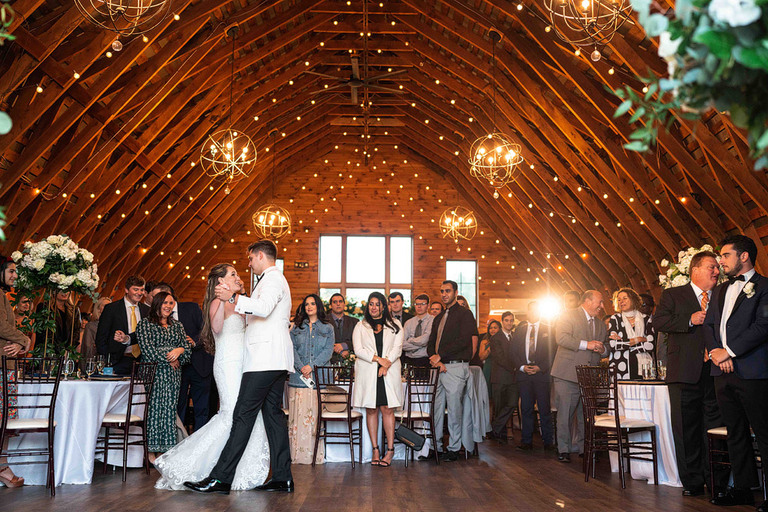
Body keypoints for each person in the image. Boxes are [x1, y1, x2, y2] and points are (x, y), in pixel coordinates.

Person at [185, 240, 294, 494]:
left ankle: (221, 478)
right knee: (273, 416)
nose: (249, 264)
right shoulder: (269, 280)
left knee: (242, 415)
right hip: (271, 359)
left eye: (250, 258)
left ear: (260, 255)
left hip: (264, 360)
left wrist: (233, 297)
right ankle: (282, 477)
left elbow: (263, 309)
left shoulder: (272, 279)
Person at [155, 264, 271, 491]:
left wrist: (239, 297)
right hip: (227, 364)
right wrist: (224, 300)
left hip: (243, 364)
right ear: (221, 282)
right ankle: (198, 466)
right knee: (230, 414)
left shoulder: (240, 302)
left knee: (244, 413)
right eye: (232, 274)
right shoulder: (217, 303)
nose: (238, 277)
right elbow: (217, 328)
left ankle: (234, 468)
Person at [654, 250, 727, 498]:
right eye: (711, 267)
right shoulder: (673, 294)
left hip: (715, 372)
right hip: (683, 372)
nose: (716, 271)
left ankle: (716, 481)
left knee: (715, 427)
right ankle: (692, 481)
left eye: (718, 267)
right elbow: (659, 322)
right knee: (686, 430)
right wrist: (689, 319)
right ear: (694, 270)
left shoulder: (722, 294)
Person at [704, 235, 768, 509]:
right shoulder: (720, 290)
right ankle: (743, 489)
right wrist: (717, 353)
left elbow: (763, 326)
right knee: (735, 432)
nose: (721, 261)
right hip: (723, 373)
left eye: (726, 255)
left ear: (744, 256)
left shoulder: (764, 287)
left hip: (753, 372)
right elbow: (709, 325)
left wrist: (729, 351)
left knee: (764, 433)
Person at [551, 290, 607, 463]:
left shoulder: (601, 324)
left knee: (586, 415)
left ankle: (585, 448)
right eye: (599, 302)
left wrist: (603, 349)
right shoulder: (568, 315)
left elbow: (605, 347)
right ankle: (564, 449)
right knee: (565, 414)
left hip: (589, 376)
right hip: (567, 374)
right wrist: (587, 345)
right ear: (588, 301)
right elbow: (561, 338)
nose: (602, 306)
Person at [137, 291, 191, 461]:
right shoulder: (145, 324)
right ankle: (150, 451)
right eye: (165, 303)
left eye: (171, 303)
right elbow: (148, 351)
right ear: (157, 304)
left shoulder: (178, 325)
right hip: (153, 374)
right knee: (153, 411)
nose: (168, 306)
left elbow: (187, 352)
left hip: (173, 376)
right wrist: (171, 357)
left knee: (169, 411)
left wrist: (180, 351)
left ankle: (165, 451)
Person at [352, 291, 404, 467]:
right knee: (372, 410)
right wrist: (378, 359)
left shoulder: (395, 324)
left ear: (383, 306)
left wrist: (385, 364)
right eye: (371, 304)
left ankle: (390, 450)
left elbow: (397, 349)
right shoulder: (361, 326)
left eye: (377, 304)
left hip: (388, 372)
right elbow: (358, 350)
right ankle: (375, 449)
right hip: (368, 372)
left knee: (387, 410)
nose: (373, 307)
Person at [427, 280, 477, 462]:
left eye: (447, 291)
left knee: (455, 410)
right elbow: (431, 342)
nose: (444, 294)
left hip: (455, 366)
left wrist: (441, 356)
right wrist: (435, 358)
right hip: (438, 368)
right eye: (442, 291)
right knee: (436, 409)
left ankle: (454, 447)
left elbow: (464, 340)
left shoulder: (465, 314)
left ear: (455, 292)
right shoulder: (439, 317)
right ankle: (436, 447)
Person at [149, 283, 208, 433]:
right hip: (175, 369)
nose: (155, 300)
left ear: (169, 295)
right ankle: (178, 439)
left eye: (158, 296)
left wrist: (193, 342)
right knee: (177, 406)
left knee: (201, 408)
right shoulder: (155, 318)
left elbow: (205, 330)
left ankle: (200, 440)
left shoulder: (191, 308)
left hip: (199, 364)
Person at [288, 294, 334, 464]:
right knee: (298, 419)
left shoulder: (328, 328)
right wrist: (302, 367)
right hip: (298, 378)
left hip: (318, 378)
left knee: (314, 418)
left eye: (312, 303)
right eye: (306, 304)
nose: (309, 306)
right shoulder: (296, 327)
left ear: (318, 306)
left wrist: (311, 366)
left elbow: (328, 351)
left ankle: (314, 456)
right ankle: (296, 455)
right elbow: (291, 349)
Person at [0, 257, 30, 487]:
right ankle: (2, 466)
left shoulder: (3, 295)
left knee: (4, 419)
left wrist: (18, 343)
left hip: (6, 363)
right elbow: (1, 326)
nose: (15, 275)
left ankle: (2, 464)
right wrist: (24, 339)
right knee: (2, 419)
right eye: (11, 271)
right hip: (1, 366)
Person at [511, 301, 555, 451]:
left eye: (537, 310)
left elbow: (553, 352)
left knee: (544, 409)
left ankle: (548, 441)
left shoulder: (549, 329)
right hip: (524, 374)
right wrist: (522, 367)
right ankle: (526, 441)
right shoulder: (519, 330)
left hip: (541, 374)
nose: (534, 312)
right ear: (528, 312)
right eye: (531, 310)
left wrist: (540, 367)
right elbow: (513, 352)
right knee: (526, 408)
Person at [96, 275, 150, 375]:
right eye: (136, 289)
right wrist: (108, 362)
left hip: (141, 362)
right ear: (126, 290)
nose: (139, 293)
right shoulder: (111, 309)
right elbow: (101, 338)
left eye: (142, 290)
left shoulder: (147, 311)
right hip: (117, 362)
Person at [607, 288, 656, 380]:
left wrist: (624, 342)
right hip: (621, 366)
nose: (621, 301)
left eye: (625, 298)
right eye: (619, 299)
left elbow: (651, 346)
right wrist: (639, 339)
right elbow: (613, 344)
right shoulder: (615, 319)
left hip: (644, 367)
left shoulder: (646, 319)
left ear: (633, 299)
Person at [489, 312, 518, 444]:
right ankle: (499, 434)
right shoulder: (495, 338)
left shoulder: (515, 336)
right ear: (502, 322)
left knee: (512, 404)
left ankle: (494, 429)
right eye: (506, 320)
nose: (509, 323)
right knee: (499, 407)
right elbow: (499, 357)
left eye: (511, 320)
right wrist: (515, 367)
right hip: (500, 377)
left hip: (513, 378)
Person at [401, 294, 433, 367]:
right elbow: (402, 343)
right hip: (409, 360)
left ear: (428, 306)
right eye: (417, 304)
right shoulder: (409, 322)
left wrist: (410, 340)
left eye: (423, 304)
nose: (419, 306)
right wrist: (423, 346)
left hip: (425, 359)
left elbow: (425, 340)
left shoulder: (433, 320)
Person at [80, 297, 112, 370]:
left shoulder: (114, 325)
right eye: (105, 305)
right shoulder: (91, 326)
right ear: (98, 308)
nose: (108, 307)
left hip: (110, 363)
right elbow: (87, 348)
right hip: (95, 363)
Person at [328, 293, 358, 364]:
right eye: (335, 302)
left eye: (340, 301)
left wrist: (345, 346)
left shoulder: (354, 322)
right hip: (328, 363)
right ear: (330, 305)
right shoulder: (323, 321)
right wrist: (339, 350)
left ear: (344, 304)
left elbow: (359, 342)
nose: (338, 304)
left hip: (350, 364)